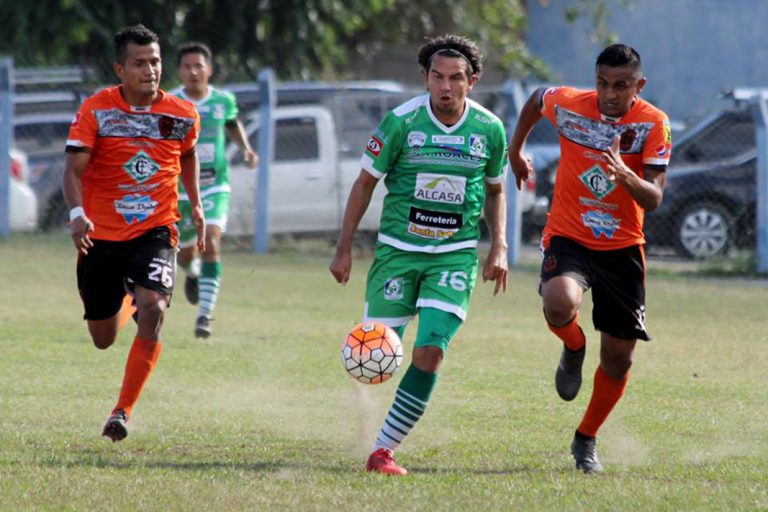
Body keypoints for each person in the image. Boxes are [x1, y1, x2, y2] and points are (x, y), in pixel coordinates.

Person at [330, 34, 509, 475]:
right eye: (437, 77)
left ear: (472, 81)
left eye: (456, 78)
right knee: (374, 357)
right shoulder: (401, 123)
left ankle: (382, 451)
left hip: (454, 256)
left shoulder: (489, 129)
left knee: (429, 351)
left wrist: (499, 245)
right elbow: (364, 184)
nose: (446, 87)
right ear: (425, 78)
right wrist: (344, 247)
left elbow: (495, 191)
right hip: (396, 254)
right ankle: (368, 420)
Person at [508, 44, 672, 473]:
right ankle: (574, 346)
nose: (610, 94)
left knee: (619, 358)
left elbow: (653, 198)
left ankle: (585, 438)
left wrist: (626, 175)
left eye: (621, 85)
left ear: (639, 85)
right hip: (570, 236)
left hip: (622, 248)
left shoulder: (654, 123)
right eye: (602, 83)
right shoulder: (570, 104)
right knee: (558, 302)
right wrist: (514, 150)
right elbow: (536, 99)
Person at [63, 24, 204, 442]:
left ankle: (121, 412)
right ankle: (131, 296)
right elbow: (72, 170)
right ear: (120, 69)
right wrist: (77, 214)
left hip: (156, 229)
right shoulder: (96, 110)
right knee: (103, 338)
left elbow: (188, 155)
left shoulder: (182, 114)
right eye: (139, 63)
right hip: (101, 236)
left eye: (155, 61)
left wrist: (195, 202)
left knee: (154, 308)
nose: (150, 70)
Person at [171, 42, 259, 339]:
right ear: (179, 71)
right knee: (185, 254)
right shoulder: (170, 101)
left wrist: (245, 149)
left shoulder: (223, 101)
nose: (193, 72)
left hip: (214, 186)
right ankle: (192, 272)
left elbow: (231, 124)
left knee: (210, 241)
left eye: (198, 66)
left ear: (209, 69)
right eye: (187, 66)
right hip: (180, 189)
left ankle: (204, 317)